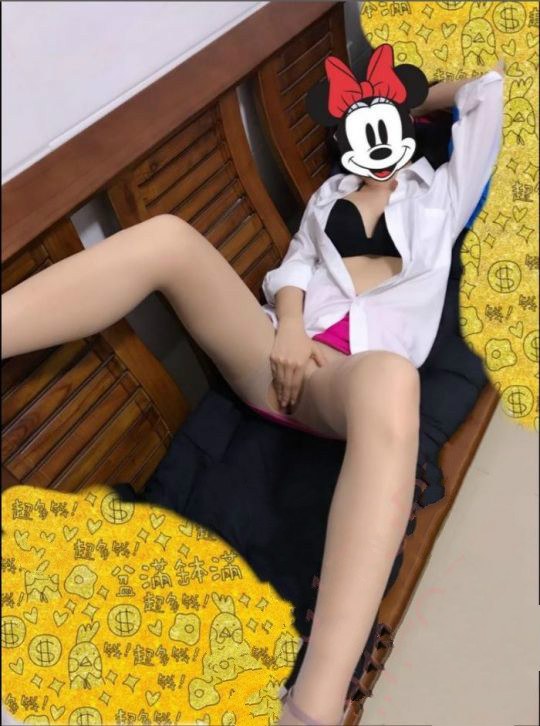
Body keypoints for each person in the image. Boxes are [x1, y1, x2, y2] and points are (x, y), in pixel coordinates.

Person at [1, 47, 504, 724]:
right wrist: (289, 327)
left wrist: (408, 96)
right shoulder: (331, 196)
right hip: (274, 353)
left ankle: (311, 707)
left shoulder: (441, 195)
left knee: (391, 379)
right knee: (169, 239)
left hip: (342, 384)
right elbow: (294, 268)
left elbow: (489, 91)